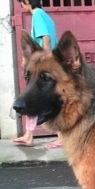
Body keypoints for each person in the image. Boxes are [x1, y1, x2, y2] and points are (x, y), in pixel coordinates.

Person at [12, 0, 62, 149]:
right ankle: (29, 135)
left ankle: (32, 136)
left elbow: (46, 38)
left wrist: (44, 63)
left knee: (34, 100)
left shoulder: (38, 15)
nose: (21, 6)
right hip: (45, 69)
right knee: (49, 102)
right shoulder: (46, 16)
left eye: (21, 3)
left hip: (42, 69)